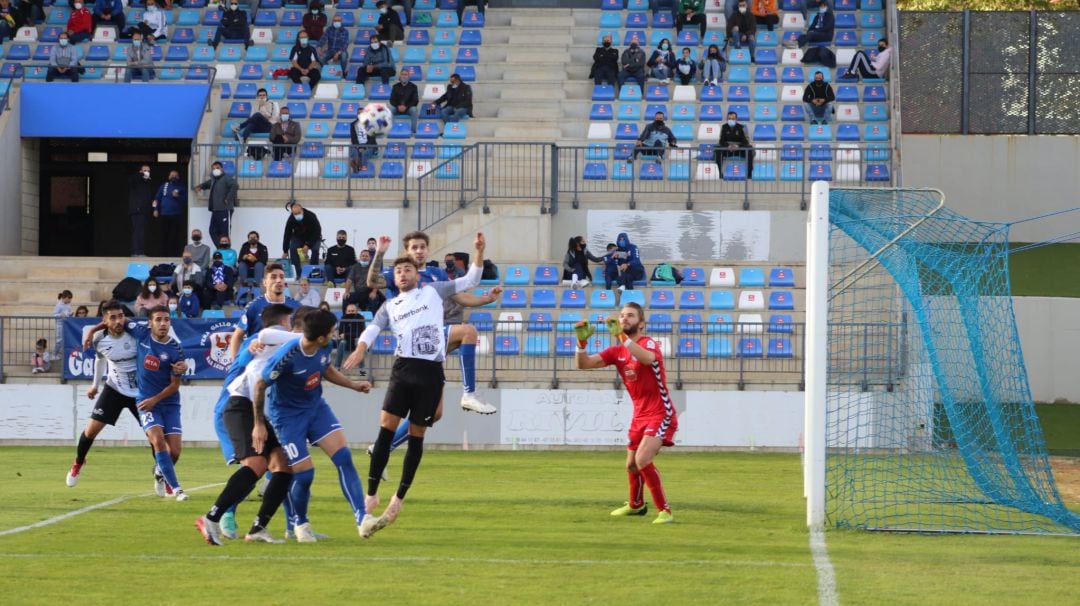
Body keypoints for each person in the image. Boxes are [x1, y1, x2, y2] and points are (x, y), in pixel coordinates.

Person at [342, 232, 488, 538]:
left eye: (407, 269)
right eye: (398, 271)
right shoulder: (390, 306)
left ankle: (398, 499)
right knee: (385, 426)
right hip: (403, 369)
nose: (403, 273)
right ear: (393, 278)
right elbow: (372, 327)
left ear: (415, 274)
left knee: (418, 434)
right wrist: (360, 348)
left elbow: (472, 279)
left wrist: (479, 250)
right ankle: (371, 494)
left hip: (430, 373)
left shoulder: (433, 291)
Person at [256, 310, 372, 542]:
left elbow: (326, 369)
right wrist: (258, 423)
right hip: (287, 418)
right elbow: (260, 385)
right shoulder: (287, 356)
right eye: (332, 332)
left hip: (316, 409)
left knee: (344, 458)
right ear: (320, 337)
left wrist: (353, 385)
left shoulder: (324, 348)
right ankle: (300, 523)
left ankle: (363, 518)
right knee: (305, 474)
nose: (335, 334)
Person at [196, 303, 302, 545]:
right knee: (256, 463)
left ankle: (258, 528)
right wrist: (258, 423)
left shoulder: (283, 346)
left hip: (262, 410)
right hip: (242, 406)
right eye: (290, 322)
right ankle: (211, 518)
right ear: (285, 323)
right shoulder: (269, 340)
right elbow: (255, 379)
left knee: (284, 466)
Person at [574, 304, 678, 525]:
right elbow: (583, 364)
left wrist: (622, 337)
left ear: (641, 323)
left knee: (642, 459)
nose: (624, 319)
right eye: (621, 316)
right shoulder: (617, 351)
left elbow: (647, 359)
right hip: (639, 414)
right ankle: (636, 505)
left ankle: (665, 511)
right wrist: (581, 344)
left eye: (630, 316)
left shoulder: (647, 343)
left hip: (660, 412)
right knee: (631, 464)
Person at [83, 306, 189, 500]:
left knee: (174, 451)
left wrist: (156, 397)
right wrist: (91, 330)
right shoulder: (141, 333)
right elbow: (114, 320)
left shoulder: (176, 349)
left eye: (166, 320)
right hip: (144, 400)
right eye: (158, 320)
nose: (163, 323)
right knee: (157, 441)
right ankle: (177, 489)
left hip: (169, 402)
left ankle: (159, 472)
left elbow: (175, 385)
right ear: (150, 323)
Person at [65, 301, 165, 487]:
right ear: (105, 320)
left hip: (141, 394)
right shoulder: (99, 340)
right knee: (90, 431)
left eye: (121, 316)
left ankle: (161, 473)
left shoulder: (136, 333)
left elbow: (156, 328)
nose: (118, 321)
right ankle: (78, 462)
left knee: (154, 436)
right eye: (113, 317)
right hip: (115, 389)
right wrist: (95, 386)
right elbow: (100, 360)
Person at [226, 263, 300, 364]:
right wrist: (235, 363)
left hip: (287, 363)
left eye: (281, 277)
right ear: (265, 282)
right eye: (273, 277)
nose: (278, 280)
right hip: (259, 364)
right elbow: (237, 336)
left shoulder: (296, 306)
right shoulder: (254, 306)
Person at [194, 161, 237, 245]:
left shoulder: (226, 178)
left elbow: (234, 186)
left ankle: (226, 250)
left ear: (222, 169)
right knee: (212, 231)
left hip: (225, 209)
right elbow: (207, 183)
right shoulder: (214, 180)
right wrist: (200, 187)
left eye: (217, 168)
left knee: (224, 232)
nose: (215, 170)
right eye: (213, 168)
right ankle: (220, 249)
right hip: (215, 209)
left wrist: (228, 198)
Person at [282, 202, 322, 278]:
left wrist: (308, 244)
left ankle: (313, 273)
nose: (297, 215)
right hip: (299, 238)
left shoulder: (311, 216)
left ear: (302, 210)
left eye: (299, 213)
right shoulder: (291, 219)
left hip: (313, 237)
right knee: (292, 248)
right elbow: (287, 234)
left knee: (315, 250)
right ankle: (298, 273)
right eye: (295, 214)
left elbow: (317, 232)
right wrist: (285, 250)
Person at [152, 169, 186, 255]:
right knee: (163, 236)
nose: (173, 177)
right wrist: (155, 209)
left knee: (174, 236)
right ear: (169, 176)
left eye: (175, 175)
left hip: (176, 215)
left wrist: (178, 196)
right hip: (164, 215)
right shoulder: (163, 186)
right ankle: (163, 254)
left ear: (178, 177)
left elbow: (186, 200)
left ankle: (174, 254)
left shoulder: (181, 186)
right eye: (172, 175)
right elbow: (157, 198)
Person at [716, 110, 754, 176]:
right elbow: (721, 141)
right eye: (729, 118)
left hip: (739, 149)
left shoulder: (741, 127)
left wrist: (738, 146)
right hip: (728, 150)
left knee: (749, 149)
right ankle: (719, 173)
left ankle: (749, 174)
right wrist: (728, 146)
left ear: (736, 119)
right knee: (718, 149)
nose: (731, 120)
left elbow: (746, 141)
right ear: (727, 119)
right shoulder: (724, 127)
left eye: (733, 119)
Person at [128, 164, 153, 257]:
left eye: (148, 171)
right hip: (136, 210)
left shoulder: (148, 183)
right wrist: (139, 174)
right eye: (145, 170)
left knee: (142, 232)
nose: (147, 172)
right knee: (137, 231)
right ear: (141, 171)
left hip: (145, 211)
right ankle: (135, 252)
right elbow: (130, 181)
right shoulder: (136, 181)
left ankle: (141, 252)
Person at [349, 107, 378, 173]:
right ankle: (356, 166)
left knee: (364, 153)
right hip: (358, 145)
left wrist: (364, 147)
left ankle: (361, 167)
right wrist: (359, 147)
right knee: (354, 151)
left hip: (369, 146)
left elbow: (372, 139)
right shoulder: (353, 124)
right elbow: (353, 138)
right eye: (359, 113)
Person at [389, 69, 419, 134]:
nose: (404, 76)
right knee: (390, 109)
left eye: (406, 74)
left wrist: (406, 107)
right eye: (402, 74)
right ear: (400, 76)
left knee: (414, 109)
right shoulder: (395, 86)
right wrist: (398, 106)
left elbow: (415, 100)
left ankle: (413, 131)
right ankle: (392, 130)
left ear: (408, 76)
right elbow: (392, 100)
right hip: (397, 108)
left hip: (409, 108)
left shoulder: (413, 87)